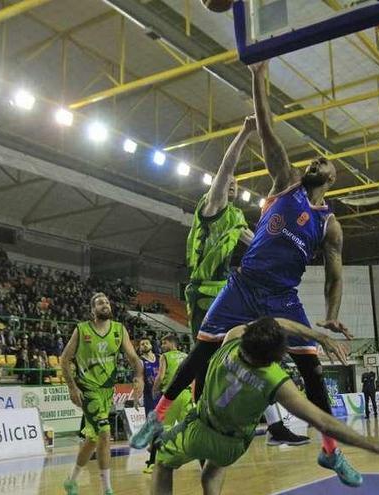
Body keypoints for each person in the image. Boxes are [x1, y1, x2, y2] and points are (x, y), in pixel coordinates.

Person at [136, 59, 357, 485]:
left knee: (312, 372)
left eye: (325, 162)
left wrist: (331, 312)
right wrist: (258, 76)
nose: (317, 161)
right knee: (200, 350)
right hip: (244, 284)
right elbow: (270, 132)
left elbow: (335, 275)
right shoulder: (286, 181)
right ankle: (157, 417)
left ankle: (330, 451)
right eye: (315, 158)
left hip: (282, 296)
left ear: (334, 178)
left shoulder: (329, 224)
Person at [150, 318, 379, 495]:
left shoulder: (234, 337)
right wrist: (371, 444)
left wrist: (317, 335)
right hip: (233, 445)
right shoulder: (275, 380)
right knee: (212, 471)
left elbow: (277, 321)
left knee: (162, 458)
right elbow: (324, 422)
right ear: (277, 356)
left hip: (201, 427)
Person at [184, 114, 305, 446]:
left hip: (227, 291)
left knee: (258, 348)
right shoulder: (212, 208)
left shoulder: (236, 218)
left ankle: (275, 425)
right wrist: (244, 132)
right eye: (229, 183)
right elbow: (225, 168)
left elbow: (259, 243)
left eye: (237, 183)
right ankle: (195, 417)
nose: (233, 184)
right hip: (202, 293)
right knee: (205, 360)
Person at [61, 292, 144, 495]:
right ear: (93, 310)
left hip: (108, 390)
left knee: (92, 440)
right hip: (88, 389)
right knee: (105, 435)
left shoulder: (118, 330)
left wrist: (139, 377)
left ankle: (71, 481)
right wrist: (72, 387)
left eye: (106, 302)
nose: (105, 304)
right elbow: (64, 359)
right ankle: (107, 489)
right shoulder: (82, 330)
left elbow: (134, 358)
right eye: (100, 303)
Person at [144, 334, 193, 474]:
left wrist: (154, 389)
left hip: (171, 395)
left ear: (172, 343)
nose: (162, 346)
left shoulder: (165, 356)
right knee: (192, 427)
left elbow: (160, 376)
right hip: (187, 394)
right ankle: (205, 460)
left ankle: (153, 463)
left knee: (161, 428)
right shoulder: (186, 355)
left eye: (164, 343)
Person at [138, 339, 160, 418]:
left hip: (162, 394)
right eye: (142, 344)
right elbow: (139, 379)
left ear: (151, 345)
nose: (145, 345)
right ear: (140, 348)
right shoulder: (140, 361)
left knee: (165, 421)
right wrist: (138, 396)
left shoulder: (160, 357)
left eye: (147, 343)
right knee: (151, 422)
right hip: (149, 396)